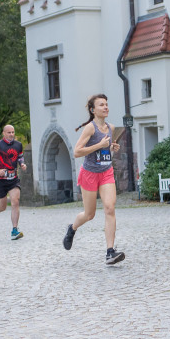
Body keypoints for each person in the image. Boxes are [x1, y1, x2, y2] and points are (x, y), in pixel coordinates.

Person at [62, 94, 125, 264]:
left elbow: (105, 148)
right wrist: (99, 146)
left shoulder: (110, 128)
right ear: (93, 110)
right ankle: (72, 228)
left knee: (110, 208)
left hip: (106, 172)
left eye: (106, 104)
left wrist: (111, 147)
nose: (105, 107)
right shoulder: (90, 128)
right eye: (101, 105)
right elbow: (77, 152)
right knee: (89, 214)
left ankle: (110, 252)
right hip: (89, 173)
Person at [0, 124, 27, 240]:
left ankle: (14, 230)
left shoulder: (18, 145)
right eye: (9, 132)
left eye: (13, 132)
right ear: (4, 133)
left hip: (13, 179)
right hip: (0, 180)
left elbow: (20, 156)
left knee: (15, 202)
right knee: (2, 206)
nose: (11, 134)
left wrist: (22, 163)